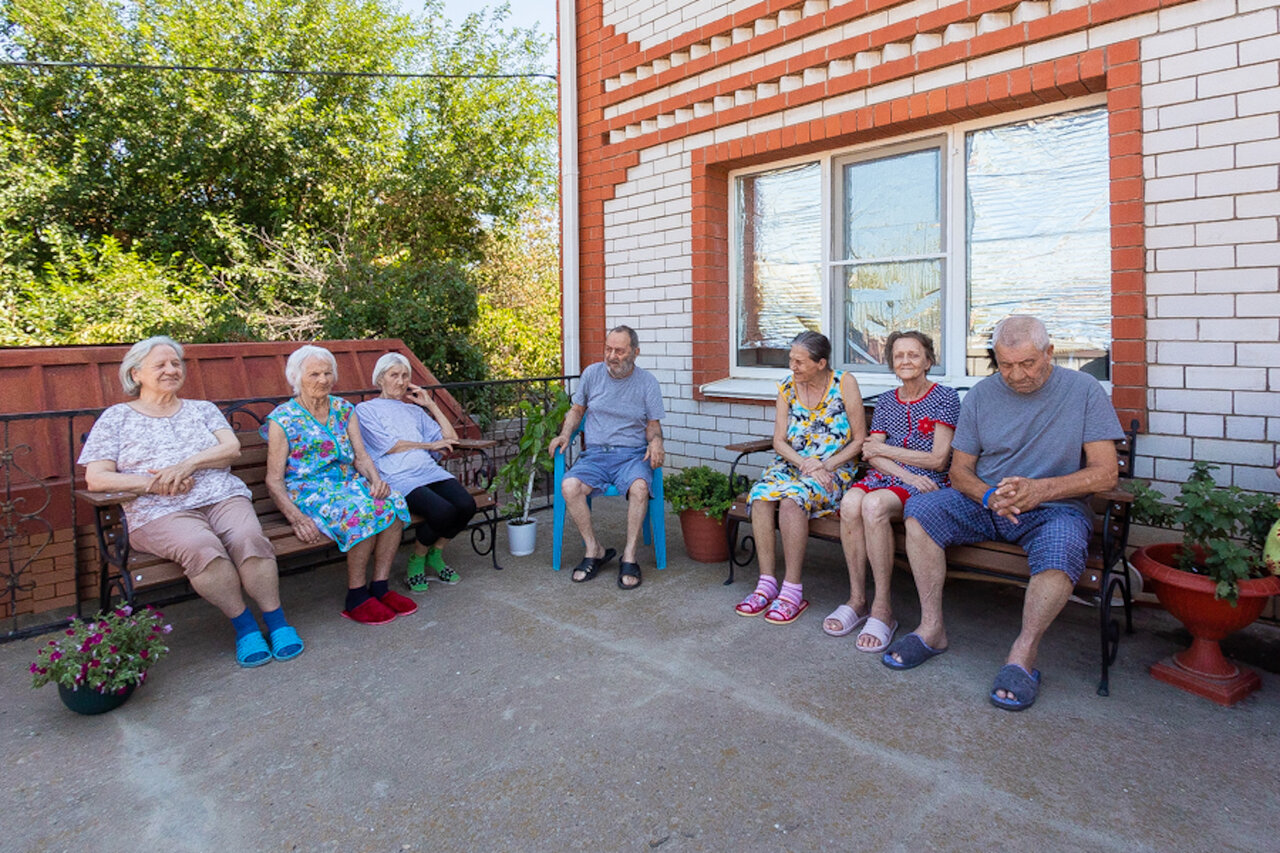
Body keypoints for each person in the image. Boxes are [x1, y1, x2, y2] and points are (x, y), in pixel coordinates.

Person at [886, 315, 1123, 712]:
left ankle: (1023, 655)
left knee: (1064, 543)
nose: (1016, 375)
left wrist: (1041, 489)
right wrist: (989, 494)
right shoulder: (982, 394)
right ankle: (932, 629)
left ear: (1049, 353)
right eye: (1006, 364)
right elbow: (960, 471)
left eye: (1027, 363)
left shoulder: (1083, 391)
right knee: (922, 509)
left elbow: (1106, 472)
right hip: (987, 503)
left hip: (1053, 507)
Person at [79, 336, 304, 668]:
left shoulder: (202, 410)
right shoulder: (116, 418)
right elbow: (96, 477)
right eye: (161, 365)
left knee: (249, 539)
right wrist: (154, 484)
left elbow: (230, 449)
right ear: (136, 373)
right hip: (157, 509)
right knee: (202, 548)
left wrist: (187, 465)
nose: (171, 370)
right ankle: (245, 627)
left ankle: (276, 621)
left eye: (176, 363)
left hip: (221, 495)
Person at [825, 331, 959, 651]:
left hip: (930, 482)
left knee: (872, 506)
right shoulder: (887, 401)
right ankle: (857, 600)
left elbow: (938, 459)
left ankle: (883, 609)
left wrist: (890, 455)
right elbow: (871, 454)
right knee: (850, 503)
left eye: (913, 354)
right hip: (896, 478)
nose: (905, 361)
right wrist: (903, 472)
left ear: (928, 360)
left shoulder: (945, 398)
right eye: (898, 355)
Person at [264, 345, 413, 626]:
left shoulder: (345, 409)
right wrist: (295, 518)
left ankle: (380, 587)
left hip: (346, 484)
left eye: (327, 373)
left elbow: (361, 456)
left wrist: (377, 481)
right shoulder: (282, 418)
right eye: (314, 374)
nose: (323, 379)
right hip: (308, 491)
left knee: (393, 502)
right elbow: (273, 479)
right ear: (296, 378)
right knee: (363, 510)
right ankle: (356, 595)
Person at [735, 331, 866, 624]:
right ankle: (766, 584)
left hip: (834, 469)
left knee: (794, 500)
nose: (792, 366)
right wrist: (806, 463)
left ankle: (792, 591)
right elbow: (779, 441)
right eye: (791, 360)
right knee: (760, 496)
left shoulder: (844, 383)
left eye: (799, 361)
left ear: (821, 363)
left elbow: (859, 440)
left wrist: (825, 465)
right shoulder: (786, 387)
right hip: (795, 463)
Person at [547, 325, 665, 590]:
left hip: (632, 456)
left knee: (640, 487)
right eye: (608, 349)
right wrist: (565, 434)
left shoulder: (647, 382)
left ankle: (630, 556)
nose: (612, 356)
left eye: (620, 351)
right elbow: (577, 411)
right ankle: (594, 550)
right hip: (596, 456)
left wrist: (656, 442)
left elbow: (653, 426)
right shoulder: (591, 374)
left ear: (635, 352)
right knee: (569, 486)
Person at [356, 353, 476, 592]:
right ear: (380, 379)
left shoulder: (415, 412)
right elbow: (388, 446)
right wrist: (429, 446)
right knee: (442, 512)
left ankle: (435, 554)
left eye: (404, 376)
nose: (400, 382)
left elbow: (450, 439)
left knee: (467, 506)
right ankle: (417, 559)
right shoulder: (365, 410)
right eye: (394, 375)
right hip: (397, 476)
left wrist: (431, 404)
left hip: (427, 471)